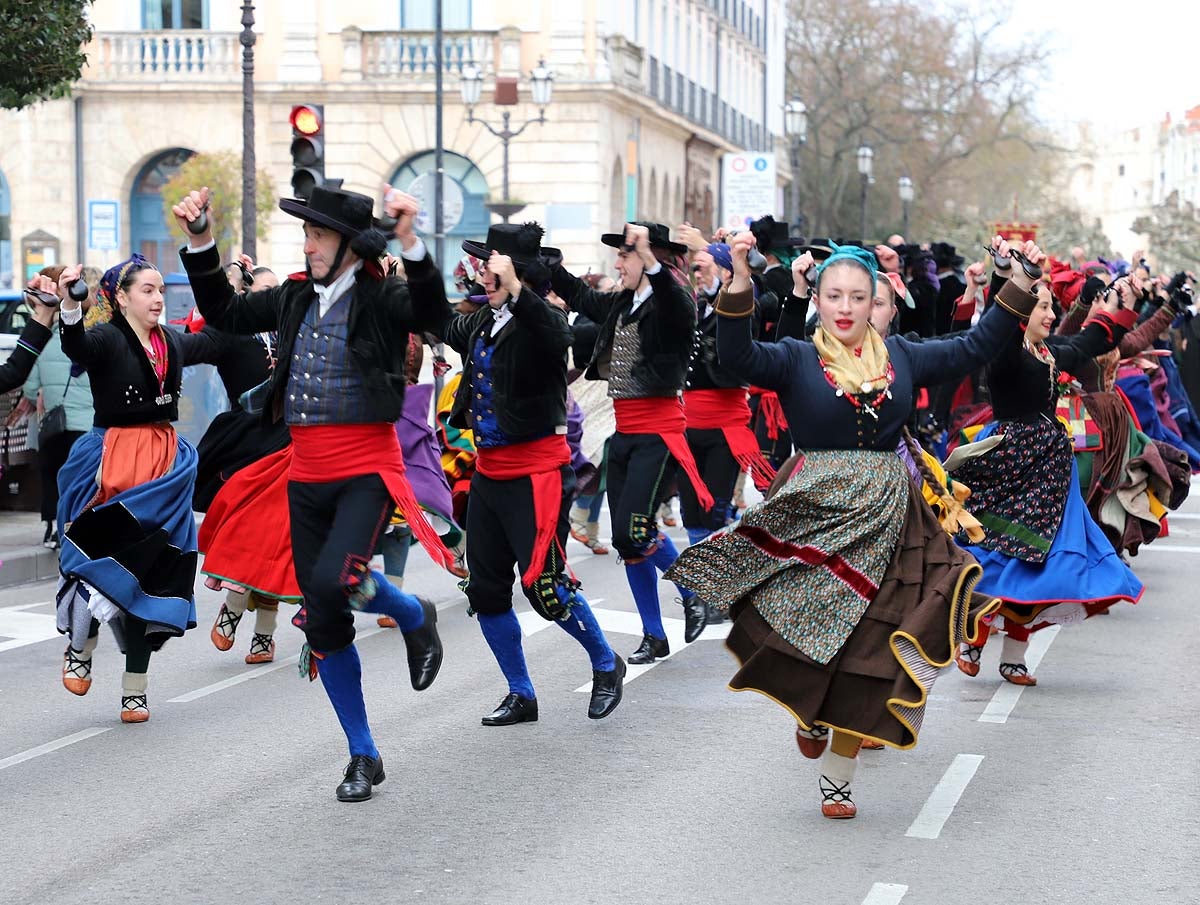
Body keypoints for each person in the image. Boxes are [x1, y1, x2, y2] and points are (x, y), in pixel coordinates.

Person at [667, 233, 1039, 819]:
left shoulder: (905, 358)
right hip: (815, 515)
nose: (845, 307)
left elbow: (974, 345)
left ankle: (838, 774)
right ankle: (808, 710)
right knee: (810, 632)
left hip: (891, 519)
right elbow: (736, 358)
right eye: (834, 295)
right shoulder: (793, 357)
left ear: (875, 304)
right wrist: (738, 276)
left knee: (871, 649)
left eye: (857, 298)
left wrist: (1015, 282)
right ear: (818, 299)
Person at [175, 183, 451, 802]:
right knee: (323, 620)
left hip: (366, 470)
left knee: (333, 579)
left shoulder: (384, 298)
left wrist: (410, 241)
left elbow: (433, 314)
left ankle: (412, 613)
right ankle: (363, 753)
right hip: (306, 473)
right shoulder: (294, 296)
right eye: (306, 234)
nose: (308, 245)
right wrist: (201, 242)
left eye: (319, 234)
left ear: (351, 244)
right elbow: (223, 313)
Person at [442, 222, 625, 725]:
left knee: (543, 587)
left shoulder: (541, 320)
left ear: (517, 274)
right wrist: (406, 266)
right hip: (490, 473)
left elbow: (556, 336)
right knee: (485, 590)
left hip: (537, 473)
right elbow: (436, 322)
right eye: (482, 263)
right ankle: (521, 692)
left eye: (492, 264)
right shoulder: (483, 321)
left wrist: (521, 292)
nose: (483, 271)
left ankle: (607, 664)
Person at [950, 261, 1144, 685]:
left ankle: (1014, 656)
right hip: (1007, 465)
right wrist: (1004, 279)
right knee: (996, 554)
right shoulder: (1006, 354)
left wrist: (1125, 305)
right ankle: (975, 634)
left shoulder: (1050, 353)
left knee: (1042, 564)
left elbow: (1093, 338)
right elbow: (997, 329)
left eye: (1052, 308)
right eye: (1041, 308)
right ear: (1020, 311)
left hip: (1053, 474)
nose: (1051, 315)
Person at [53, 254, 225, 723]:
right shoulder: (106, 338)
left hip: (162, 463)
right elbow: (77, 348)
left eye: (160, 291)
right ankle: (80, 647)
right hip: (113, 459)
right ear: (122, 297)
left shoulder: (171, 340)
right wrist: (71, 308)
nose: (156, 299)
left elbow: (214, 339)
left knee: (154, 574)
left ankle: (135, 688)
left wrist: (232, 292)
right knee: (97, 560)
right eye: (147, 290)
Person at [550, 221, 710, 664]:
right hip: (624, 431)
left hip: (659, 433)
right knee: (628, 542)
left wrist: (655, 264)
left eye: (626, 254)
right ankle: (654, 634)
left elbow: (677, 305)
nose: (618, 263)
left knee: (634, 531)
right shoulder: (624, 301)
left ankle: (693, 589)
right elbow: (583, 298)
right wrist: (548, 265)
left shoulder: (672, 302)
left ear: (650, 256)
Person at [13, 267, 94, 547]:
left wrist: (41, 396)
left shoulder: (45, 343)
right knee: (81, 480)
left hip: (53, 422)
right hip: (86, 424)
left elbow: (27, 383)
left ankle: (51, 528)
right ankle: (75, 529)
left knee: (52, 476)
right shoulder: (91, 339)